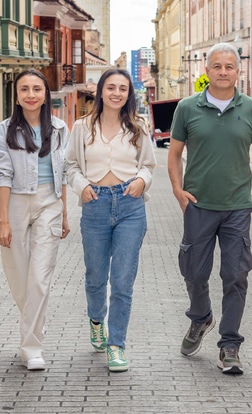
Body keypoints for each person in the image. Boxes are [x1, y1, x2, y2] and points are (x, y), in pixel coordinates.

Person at [167, 42, 252, 375]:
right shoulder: (187, 108)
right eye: (216, 66)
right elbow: (173, 154)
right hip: (198, 205)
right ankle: (200, 317)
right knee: (193, 272)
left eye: (229, 66)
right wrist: (178, 190)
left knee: (235, 275)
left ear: (238, 71)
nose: (222, 72)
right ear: (207, 70)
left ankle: (229, 345)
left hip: (236, 208)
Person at [67, 68, 156, 372]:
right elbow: (71, 167)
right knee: (95, 276)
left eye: (123, 88)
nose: (117, 93)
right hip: (95, 205)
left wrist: (141, 181)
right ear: (101, 91)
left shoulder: (139, 126)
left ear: (129, 94)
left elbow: (148, 166)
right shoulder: (82, 127)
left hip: (130, 205)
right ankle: (96, 320)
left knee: (122, 281)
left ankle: (116, 345)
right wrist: (83, 188)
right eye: (111, 87)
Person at [0, 70, 71, 371]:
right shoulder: (4, 130)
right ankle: (35, 321)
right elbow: (2, 174)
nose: (31, 94)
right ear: (17, 95)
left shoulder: (61, 128)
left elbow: (63, 172)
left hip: (50, 202)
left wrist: (64, 212)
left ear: (45, 95)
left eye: (37, 89)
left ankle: (31, 347)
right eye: (25, 89)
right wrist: (4, 220)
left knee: (40, 276)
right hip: (17, 203)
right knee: (18, 274)